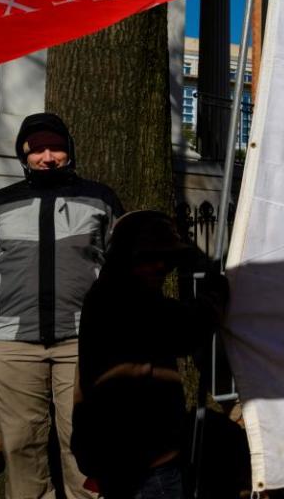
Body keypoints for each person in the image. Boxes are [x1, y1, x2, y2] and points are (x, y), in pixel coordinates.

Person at [0, 112, 123, 499]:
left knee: (84, 444)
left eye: (55, 148)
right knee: (20, 444)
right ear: (23, 156)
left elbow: (120, 270)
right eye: (37, 149)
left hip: (82, 342)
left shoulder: (100, 199)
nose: (47, 157)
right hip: (11, 344)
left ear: (69, 152)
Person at [71, 210, 228, 499]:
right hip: (141, 457)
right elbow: (185, 329)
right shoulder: (122, 298)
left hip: (121, 453)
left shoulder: (111, 292)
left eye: (167, 259)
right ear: (125, 257)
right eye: (148, 258)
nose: (160, 266)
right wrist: (215, 297)